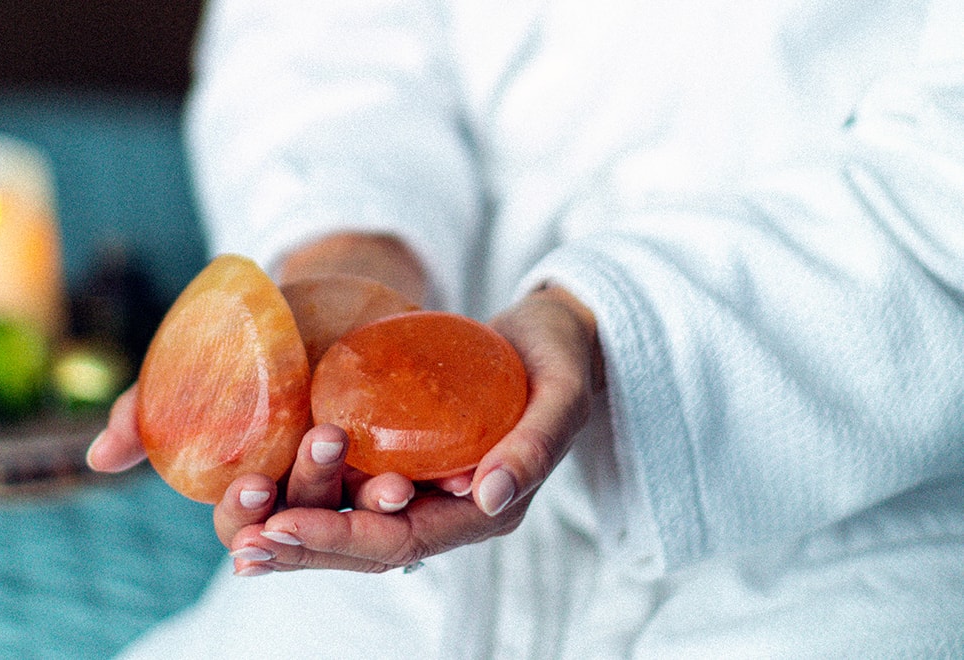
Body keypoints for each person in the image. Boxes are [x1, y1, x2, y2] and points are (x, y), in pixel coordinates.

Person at [87, 0, 964, 656]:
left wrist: (608, 322)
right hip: (405, 467)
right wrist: (348, 256)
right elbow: (318, 32)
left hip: (859, 487)